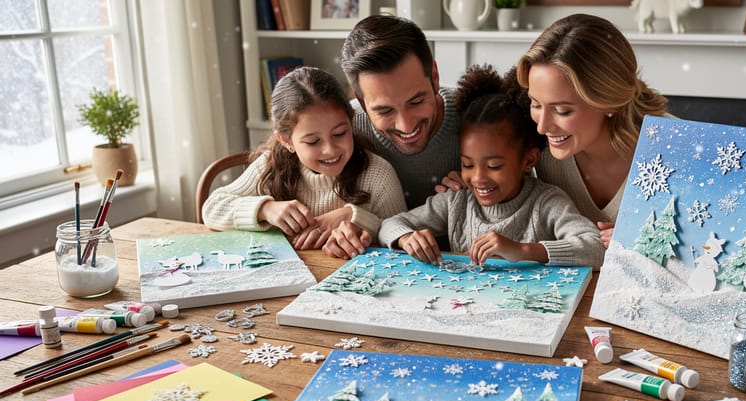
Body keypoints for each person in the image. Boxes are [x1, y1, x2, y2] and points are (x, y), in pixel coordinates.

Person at [438, 15, 668, 260]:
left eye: (562, 111)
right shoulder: (545, 151)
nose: (543, 126)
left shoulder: (674, 147)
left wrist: (647, 242)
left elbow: (708, 249)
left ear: (608, 101)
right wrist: (470, 181)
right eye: (536, 104)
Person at [378, 64, 603, 270]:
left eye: (494, 165)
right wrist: (407, 237)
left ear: (529, 160)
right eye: (467, 164)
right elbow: (390, 224)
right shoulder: (457, 200)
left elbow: (596, 248)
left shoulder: (546, 203)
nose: (478, 177)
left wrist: (523, 250)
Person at [202, 66, 406, 259]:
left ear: (351, 120)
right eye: (313, 141)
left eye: (339, 133)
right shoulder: (269, 166)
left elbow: (401, 234)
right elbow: (212, 208)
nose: (330, 149)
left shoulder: (378, 174)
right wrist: (265, 209)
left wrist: (356, 218)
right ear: (286, 140)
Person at [340, 15, 460, 210]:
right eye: (385, 111)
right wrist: (270, 206)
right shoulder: (341, 127)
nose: (406, 125)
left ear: (435, 77)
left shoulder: (480, 113)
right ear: (361, 101)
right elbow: (279, 152)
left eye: (416, 102)